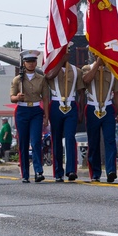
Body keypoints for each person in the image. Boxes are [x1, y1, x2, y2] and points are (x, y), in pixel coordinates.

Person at [12, 50, 50, 183]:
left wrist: (46, 115)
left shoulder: (41, 79)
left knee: (36, 142)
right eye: (28, 61)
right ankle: (25, 174)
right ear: (24, 63)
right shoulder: (18, 79)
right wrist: (17, 97)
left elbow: (45, 98)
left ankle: (38, 170)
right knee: (23, 143)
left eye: (33, 61)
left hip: (35, 111)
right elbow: (11, 97)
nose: (31, 64)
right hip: (22, 110)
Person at [82, 55, 118, 183]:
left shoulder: (113, 70)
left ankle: (111, 170)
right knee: (93, 142)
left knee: (110, 140)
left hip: (108, 107)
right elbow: (86, 80)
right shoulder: (87, 68)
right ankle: (95, 172)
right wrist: (97, 65)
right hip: (93, 107)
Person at [45, 52, 81, 182]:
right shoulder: (52, 68)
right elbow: (49, 76)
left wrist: (81, 111)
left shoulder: (76, 71)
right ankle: (58, 172)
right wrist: (60, 62)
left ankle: (71, 170)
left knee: (70, 137)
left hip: (71, 105)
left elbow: (81, 92)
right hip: (56, 104)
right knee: (56, 139)